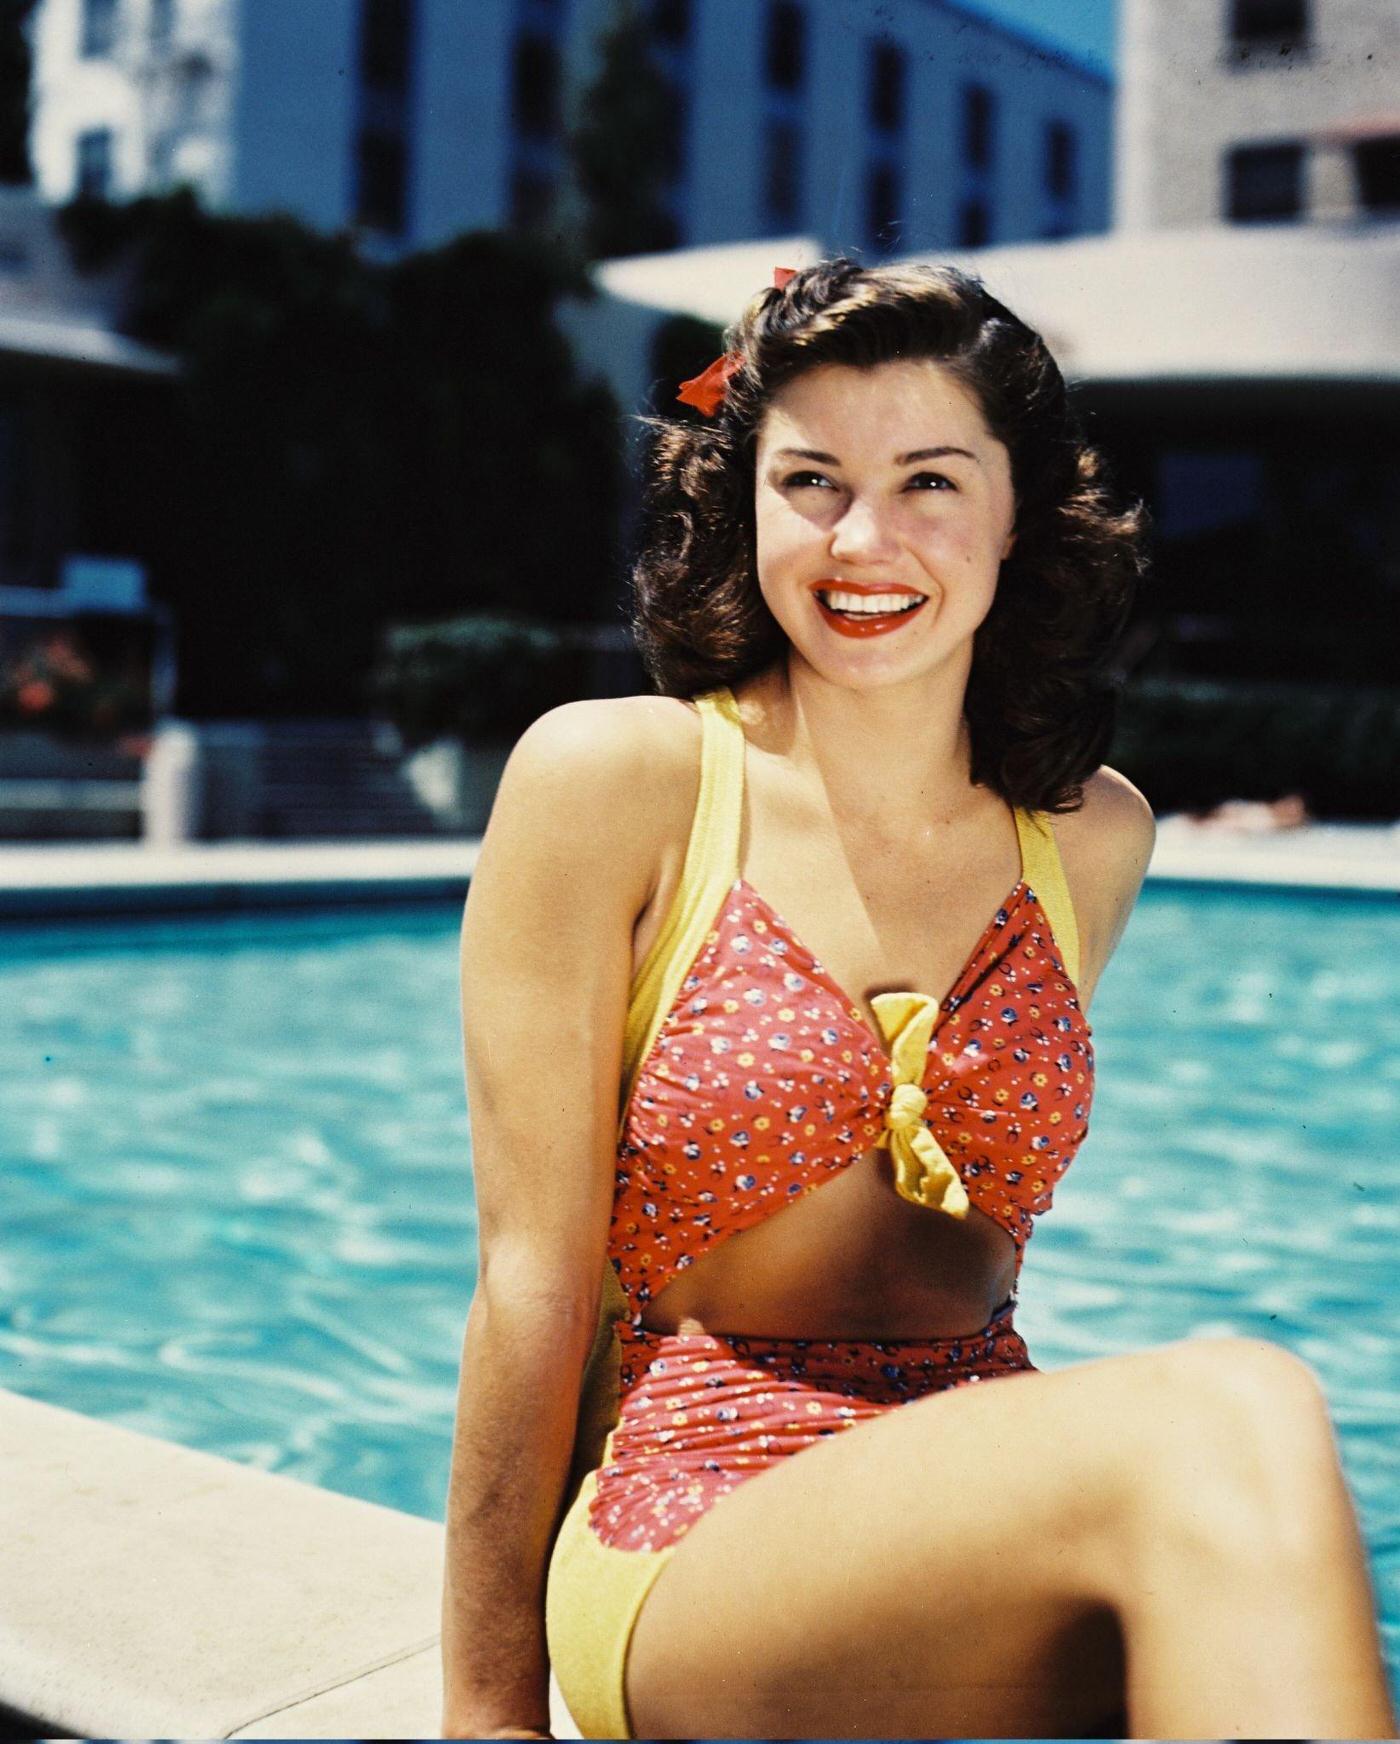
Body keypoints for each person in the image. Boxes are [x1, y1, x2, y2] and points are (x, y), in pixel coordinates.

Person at [440, 258, 1396, 1740]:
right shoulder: (617, 784)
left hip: (965, 1514)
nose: (864, 539)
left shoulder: (1089, 841)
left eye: (931, 482)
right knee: (1239, 1403)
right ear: (744, 502)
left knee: (1252, 1511)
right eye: (811, 478)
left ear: (1018, 518)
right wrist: (488, 1721)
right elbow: (531, 1281)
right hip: (696, 1520)